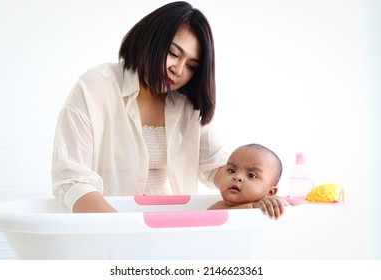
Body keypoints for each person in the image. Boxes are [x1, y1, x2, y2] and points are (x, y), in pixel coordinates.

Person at [52, 1, 229, 213]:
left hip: (162, 224)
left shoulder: (186, 104)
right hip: (105, 226)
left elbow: (217, 166)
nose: (178, 70)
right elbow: (72, 179)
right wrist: (123, 232)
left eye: (191, 66)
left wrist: (257, 194)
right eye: (173, 54)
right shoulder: (96, 86)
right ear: (150, 40)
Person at [208, 144, 290, 219]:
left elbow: (292, 214)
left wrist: (275, 202)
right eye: (231, 171)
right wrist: (252, 206)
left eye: (251, 175)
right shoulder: (218, 208)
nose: (237, 177)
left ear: (270, 193)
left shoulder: (266, 206)